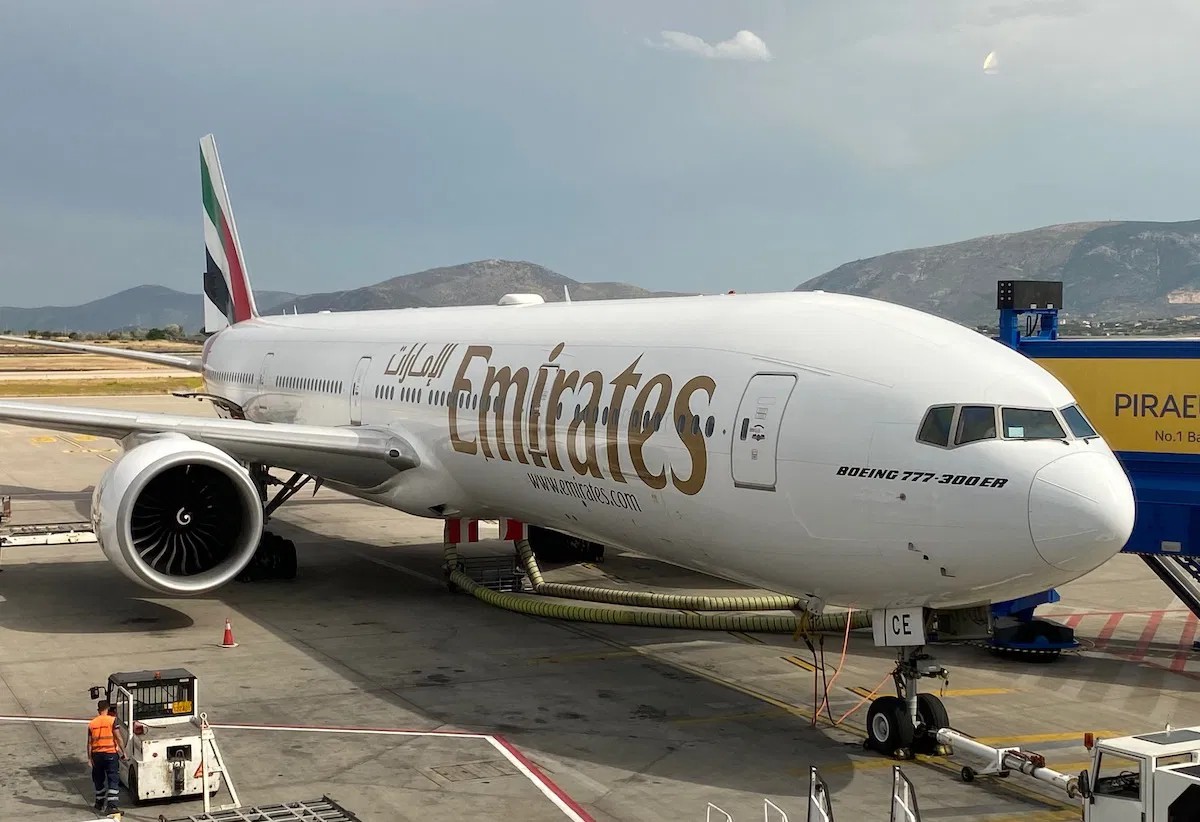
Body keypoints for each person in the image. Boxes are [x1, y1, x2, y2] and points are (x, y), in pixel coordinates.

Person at [87, 699, 123, 813]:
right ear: (107, 709)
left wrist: (89, 758)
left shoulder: (92, 723)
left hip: (96, 755)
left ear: (98, 710)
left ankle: (99, 803)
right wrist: (124, 752)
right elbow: (118, 737)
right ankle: (112, 806)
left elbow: (89, 743)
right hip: (110, 753)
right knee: (113, 778)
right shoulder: (112, 720)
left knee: (98, 779)